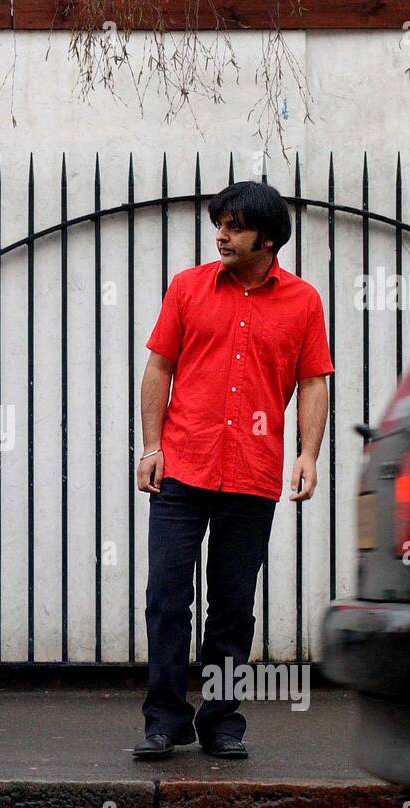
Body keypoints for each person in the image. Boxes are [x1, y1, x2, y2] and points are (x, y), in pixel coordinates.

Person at [133, 181, 333, 761]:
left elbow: (313, 380)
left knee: (232, 604)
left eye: (235, 226)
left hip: (251, 473)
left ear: (267, 239)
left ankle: (222, 720)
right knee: (167, 596)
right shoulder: (188, 287)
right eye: (218, 223)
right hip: (183, 467)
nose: (220, 234)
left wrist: (307, 454)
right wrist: (151, 446)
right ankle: (164, 719)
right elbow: (159, 367)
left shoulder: (303, 302)